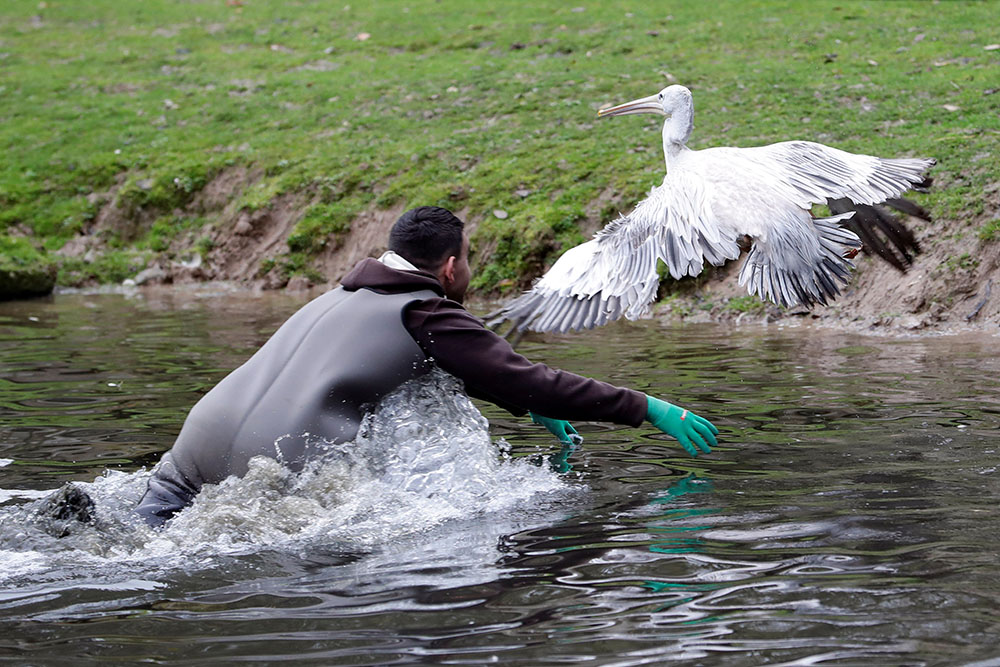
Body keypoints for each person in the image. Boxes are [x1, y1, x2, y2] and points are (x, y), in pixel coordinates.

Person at [133, 206, 719, 526]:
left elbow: (474, 374)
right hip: (280, 463)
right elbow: (523, 375)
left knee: (147, 536)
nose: (469, 272)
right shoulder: (426, 313)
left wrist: (525, 407)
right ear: (447, 268)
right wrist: (646, 407)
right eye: (468, 261)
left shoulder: (335, 298)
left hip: (194, 446)